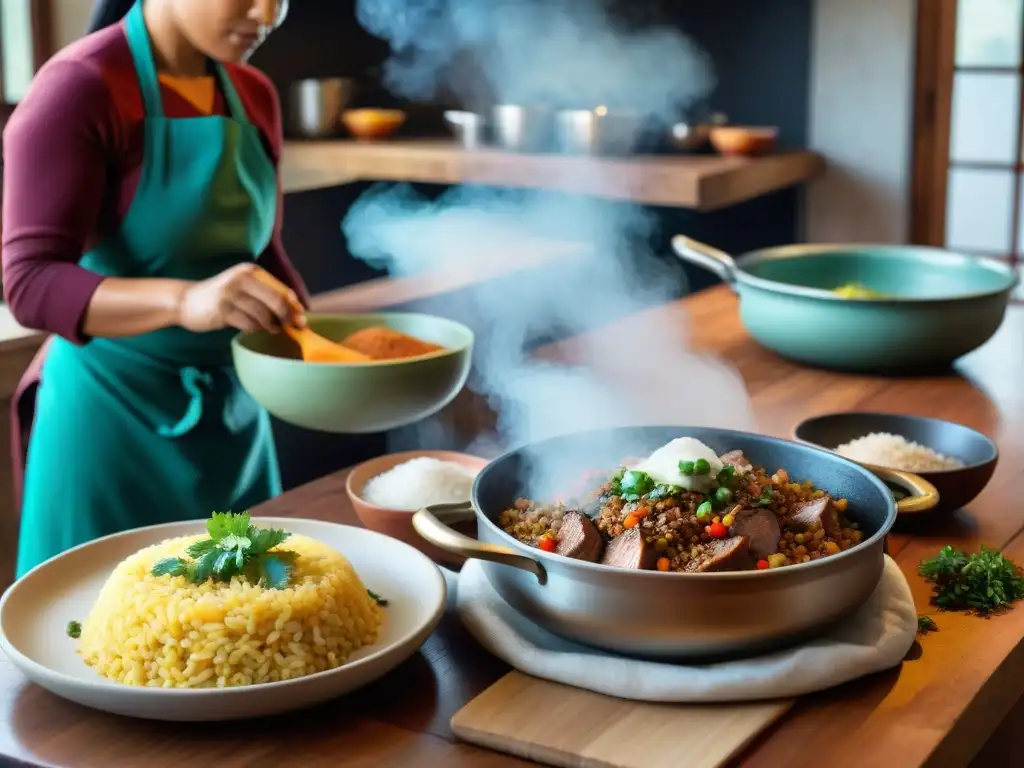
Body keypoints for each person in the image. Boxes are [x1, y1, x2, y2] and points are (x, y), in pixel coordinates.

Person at [2, 0, 311, 577]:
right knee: (101, 639)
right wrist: (183, 301)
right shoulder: (78, 88)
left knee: (252, 637)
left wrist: (310, 336)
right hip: (111, 422)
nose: (268, 12)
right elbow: (29, 282)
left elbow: (259, 250)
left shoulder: (254, 92)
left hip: (234, 421)